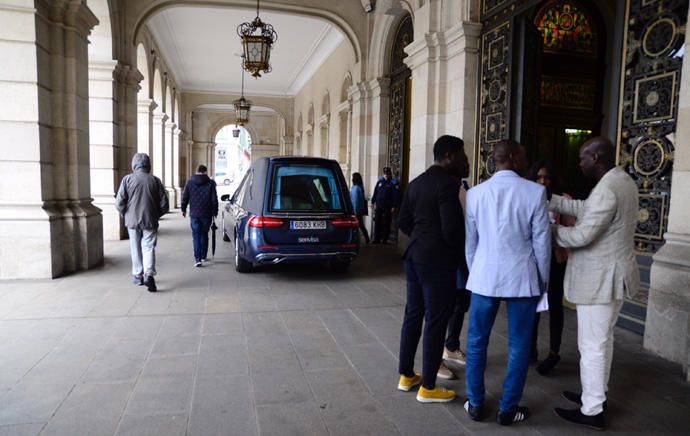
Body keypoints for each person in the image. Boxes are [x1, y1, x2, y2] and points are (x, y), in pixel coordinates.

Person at [551, 137, 639, 431]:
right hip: (613, 278)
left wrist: (547, 230)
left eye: (583, 157)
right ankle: (595, 395)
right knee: (604, 342)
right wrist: (550, 198)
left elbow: (581, 236)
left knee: (592, 346)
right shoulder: (620, 180)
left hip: (601, 281)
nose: (580, 162)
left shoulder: (607, 191)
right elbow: (584, 207)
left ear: (596, 158)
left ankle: (592, 411)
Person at [464, 140, 551, 425]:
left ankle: (475, 404)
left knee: (476, 342)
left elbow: (471, 244)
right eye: (524, 155)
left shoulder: (475, 194)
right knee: (519, 346)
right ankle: (507, 409)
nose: (526, 160)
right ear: (513, 157)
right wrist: (541, 281)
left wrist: (476, 272)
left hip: (483, 276)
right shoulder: (535, 192)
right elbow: (542, 244)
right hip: (521, 277)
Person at [396, 135, 469, 403]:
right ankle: (428, 386)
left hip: (414, 256)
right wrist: (460, 259)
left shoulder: (416, 183)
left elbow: (402, 220)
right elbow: (453, 230)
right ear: (448, 155)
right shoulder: (447, 185)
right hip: (437, 262)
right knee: (437, 320)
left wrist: (422, 236)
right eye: (462, 155)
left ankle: (406, 375)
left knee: (413, 315)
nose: (465, 160)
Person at [528, 160, 574, 375]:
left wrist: (552, 231)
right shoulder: (527, 197)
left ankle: (554, 352)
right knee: (533, 306)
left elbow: (573, 230)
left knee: (555, 306)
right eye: (539, 177)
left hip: (555, 261)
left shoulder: (563, 200)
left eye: (547, 177)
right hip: (534, 261)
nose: (543, 181)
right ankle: (531, 348)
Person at [115, 153, 169, 292]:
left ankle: (138, 275)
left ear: (134, 164)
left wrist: (125, 214)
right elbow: (164, 204)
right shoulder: (155, 181)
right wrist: (156, 214)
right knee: (149, 247)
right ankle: (149, 274)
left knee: (135, 248)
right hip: (150, 220)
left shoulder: (127, 180)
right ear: (148, 165)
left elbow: (119, 202)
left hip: (132, 221)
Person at [438, 178, 472, 381]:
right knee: (442, 309)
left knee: (460, 304)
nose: (467, 164)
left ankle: (451, 346)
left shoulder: (464, 189)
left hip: (464, 257)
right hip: (445, 260)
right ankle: (435, 360)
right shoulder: (441, 188)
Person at [181, 164, 219, 267]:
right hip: (206, 214)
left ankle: (197, 259)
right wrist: (215, 212)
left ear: (196, 171)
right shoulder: (211, 183)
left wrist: (183, 209)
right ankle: (203, 255)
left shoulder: (189, 182)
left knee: (196, 235)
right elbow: (214, 200)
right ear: (205, 171)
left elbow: (185, 197)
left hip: (194, 214)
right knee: (204, 234)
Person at [371, 166, 400, 243]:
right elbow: (375, 192)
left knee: (386, 223)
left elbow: (396, 196)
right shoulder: (380, 182)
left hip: (388, 206)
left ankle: (385, 239)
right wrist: (373, 202)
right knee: (377, 222)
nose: (386, 175)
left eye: (387, 174)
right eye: (385, 174)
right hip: (379, 205)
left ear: (390, 174)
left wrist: (394, 206)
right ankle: (376, 239)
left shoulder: (393, 183)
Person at [350, 172, 371, 244]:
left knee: (355, 226)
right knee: (361, 225)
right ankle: (367, 238)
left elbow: (355, 201)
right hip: (359, 210)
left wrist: (354, 212)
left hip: (355, 211)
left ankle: (355, 240)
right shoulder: (360, 187)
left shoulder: (355, 188)